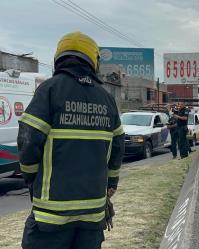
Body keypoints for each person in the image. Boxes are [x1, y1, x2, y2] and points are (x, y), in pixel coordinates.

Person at [17, 31, 125, 249]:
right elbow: (118, 145)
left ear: (59, 58)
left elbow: (28, 138)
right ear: (93, 61)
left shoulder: (49, 90)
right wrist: (111, 183)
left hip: (51, 214)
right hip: (93, 212)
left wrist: (30, 175)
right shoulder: (107, 99)